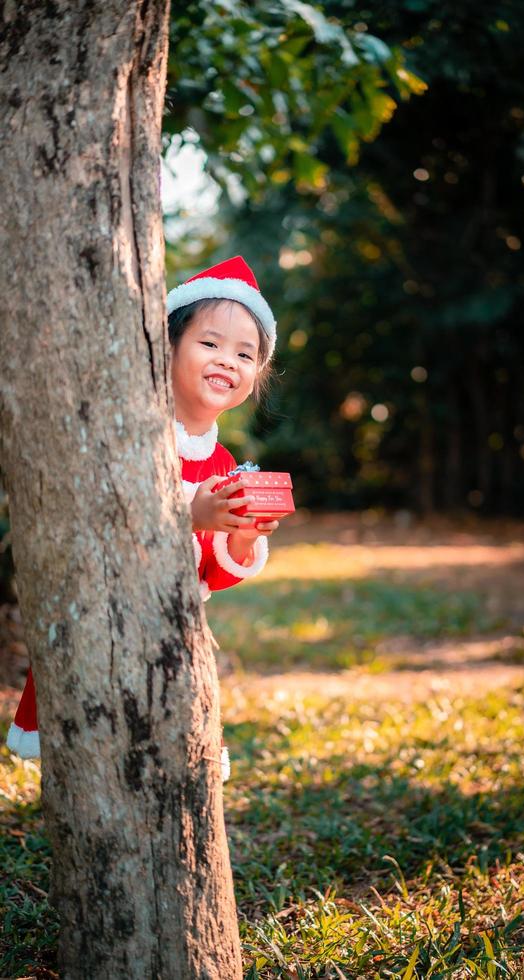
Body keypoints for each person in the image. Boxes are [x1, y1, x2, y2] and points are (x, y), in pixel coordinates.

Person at [6, 256, 280, 782]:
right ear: (166, 346)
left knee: (170, 762)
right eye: (210, 343)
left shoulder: (224, 465)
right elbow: (106, 517)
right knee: (98, 757)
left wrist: (241, 536)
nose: (228, 360)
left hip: (176, 635)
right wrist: (188, 512)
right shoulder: (134, 433)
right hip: (102, 623)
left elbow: (213, 575)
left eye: (246, 353)